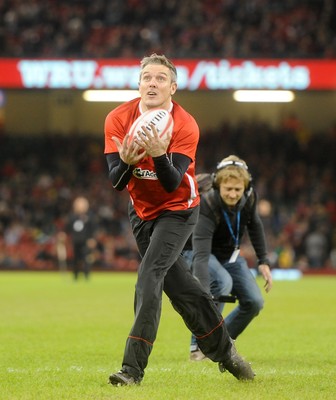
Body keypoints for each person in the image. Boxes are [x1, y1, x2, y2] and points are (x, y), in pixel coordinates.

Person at [104, 53, 255, 386]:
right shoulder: (117, 118)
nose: (152, 83)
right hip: (141, 211)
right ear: (139, 84)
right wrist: (129, 162)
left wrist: (158, 154)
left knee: (149, 274)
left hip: (180, 209)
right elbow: (116, 180)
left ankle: (131, 370)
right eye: (147, 77)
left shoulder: (185, 124)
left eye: (160, 78)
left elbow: (173, 182)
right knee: (182, 288)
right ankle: (227, 353)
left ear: (173, 87)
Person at [183, 155, 273, 361]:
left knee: (254, 301)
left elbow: (255, 225)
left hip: (228, 254)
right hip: (196, 252)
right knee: (221, 283)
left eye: (237, 189)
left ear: (245, 187)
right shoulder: (206, 203)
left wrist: (263, 261)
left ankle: (219, 344)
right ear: (218, 186)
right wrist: (203, 291)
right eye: (228, 189)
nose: (233, 194)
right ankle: (199, 346)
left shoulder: (250, 196)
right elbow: (201, 253)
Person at [66, 196, 98, 280]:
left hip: (86, 241)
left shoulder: (90, 216)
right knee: (75, 259)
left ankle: (86, 275)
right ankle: (75, 275)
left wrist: (92, 239)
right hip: (75, 241)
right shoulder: (72, 216)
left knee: (86, 259)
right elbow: (67, 228)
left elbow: (93, 229)